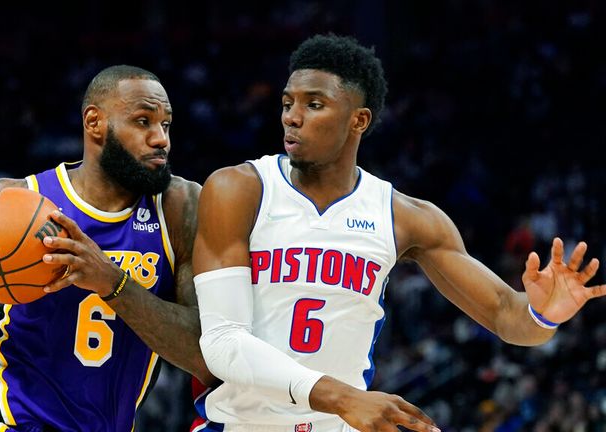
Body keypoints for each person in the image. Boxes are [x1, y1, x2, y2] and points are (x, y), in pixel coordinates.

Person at [191, 34, 606, 432]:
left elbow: (506, 315)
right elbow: (223, 341)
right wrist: (342, 397)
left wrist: (543, 313)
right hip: (242, 424)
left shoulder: (405, 217)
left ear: (359, 120)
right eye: (287, 103)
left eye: (314, 104)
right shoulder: (239, 189)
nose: (292, 116)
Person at [0, 65, 214, 432]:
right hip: (7, 424)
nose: (160, 138)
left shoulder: (180, 208)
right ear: (94, 122)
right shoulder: (11, 201)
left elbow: (204, 354)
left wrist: (113, 284)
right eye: (143, 121)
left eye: (165, 124)